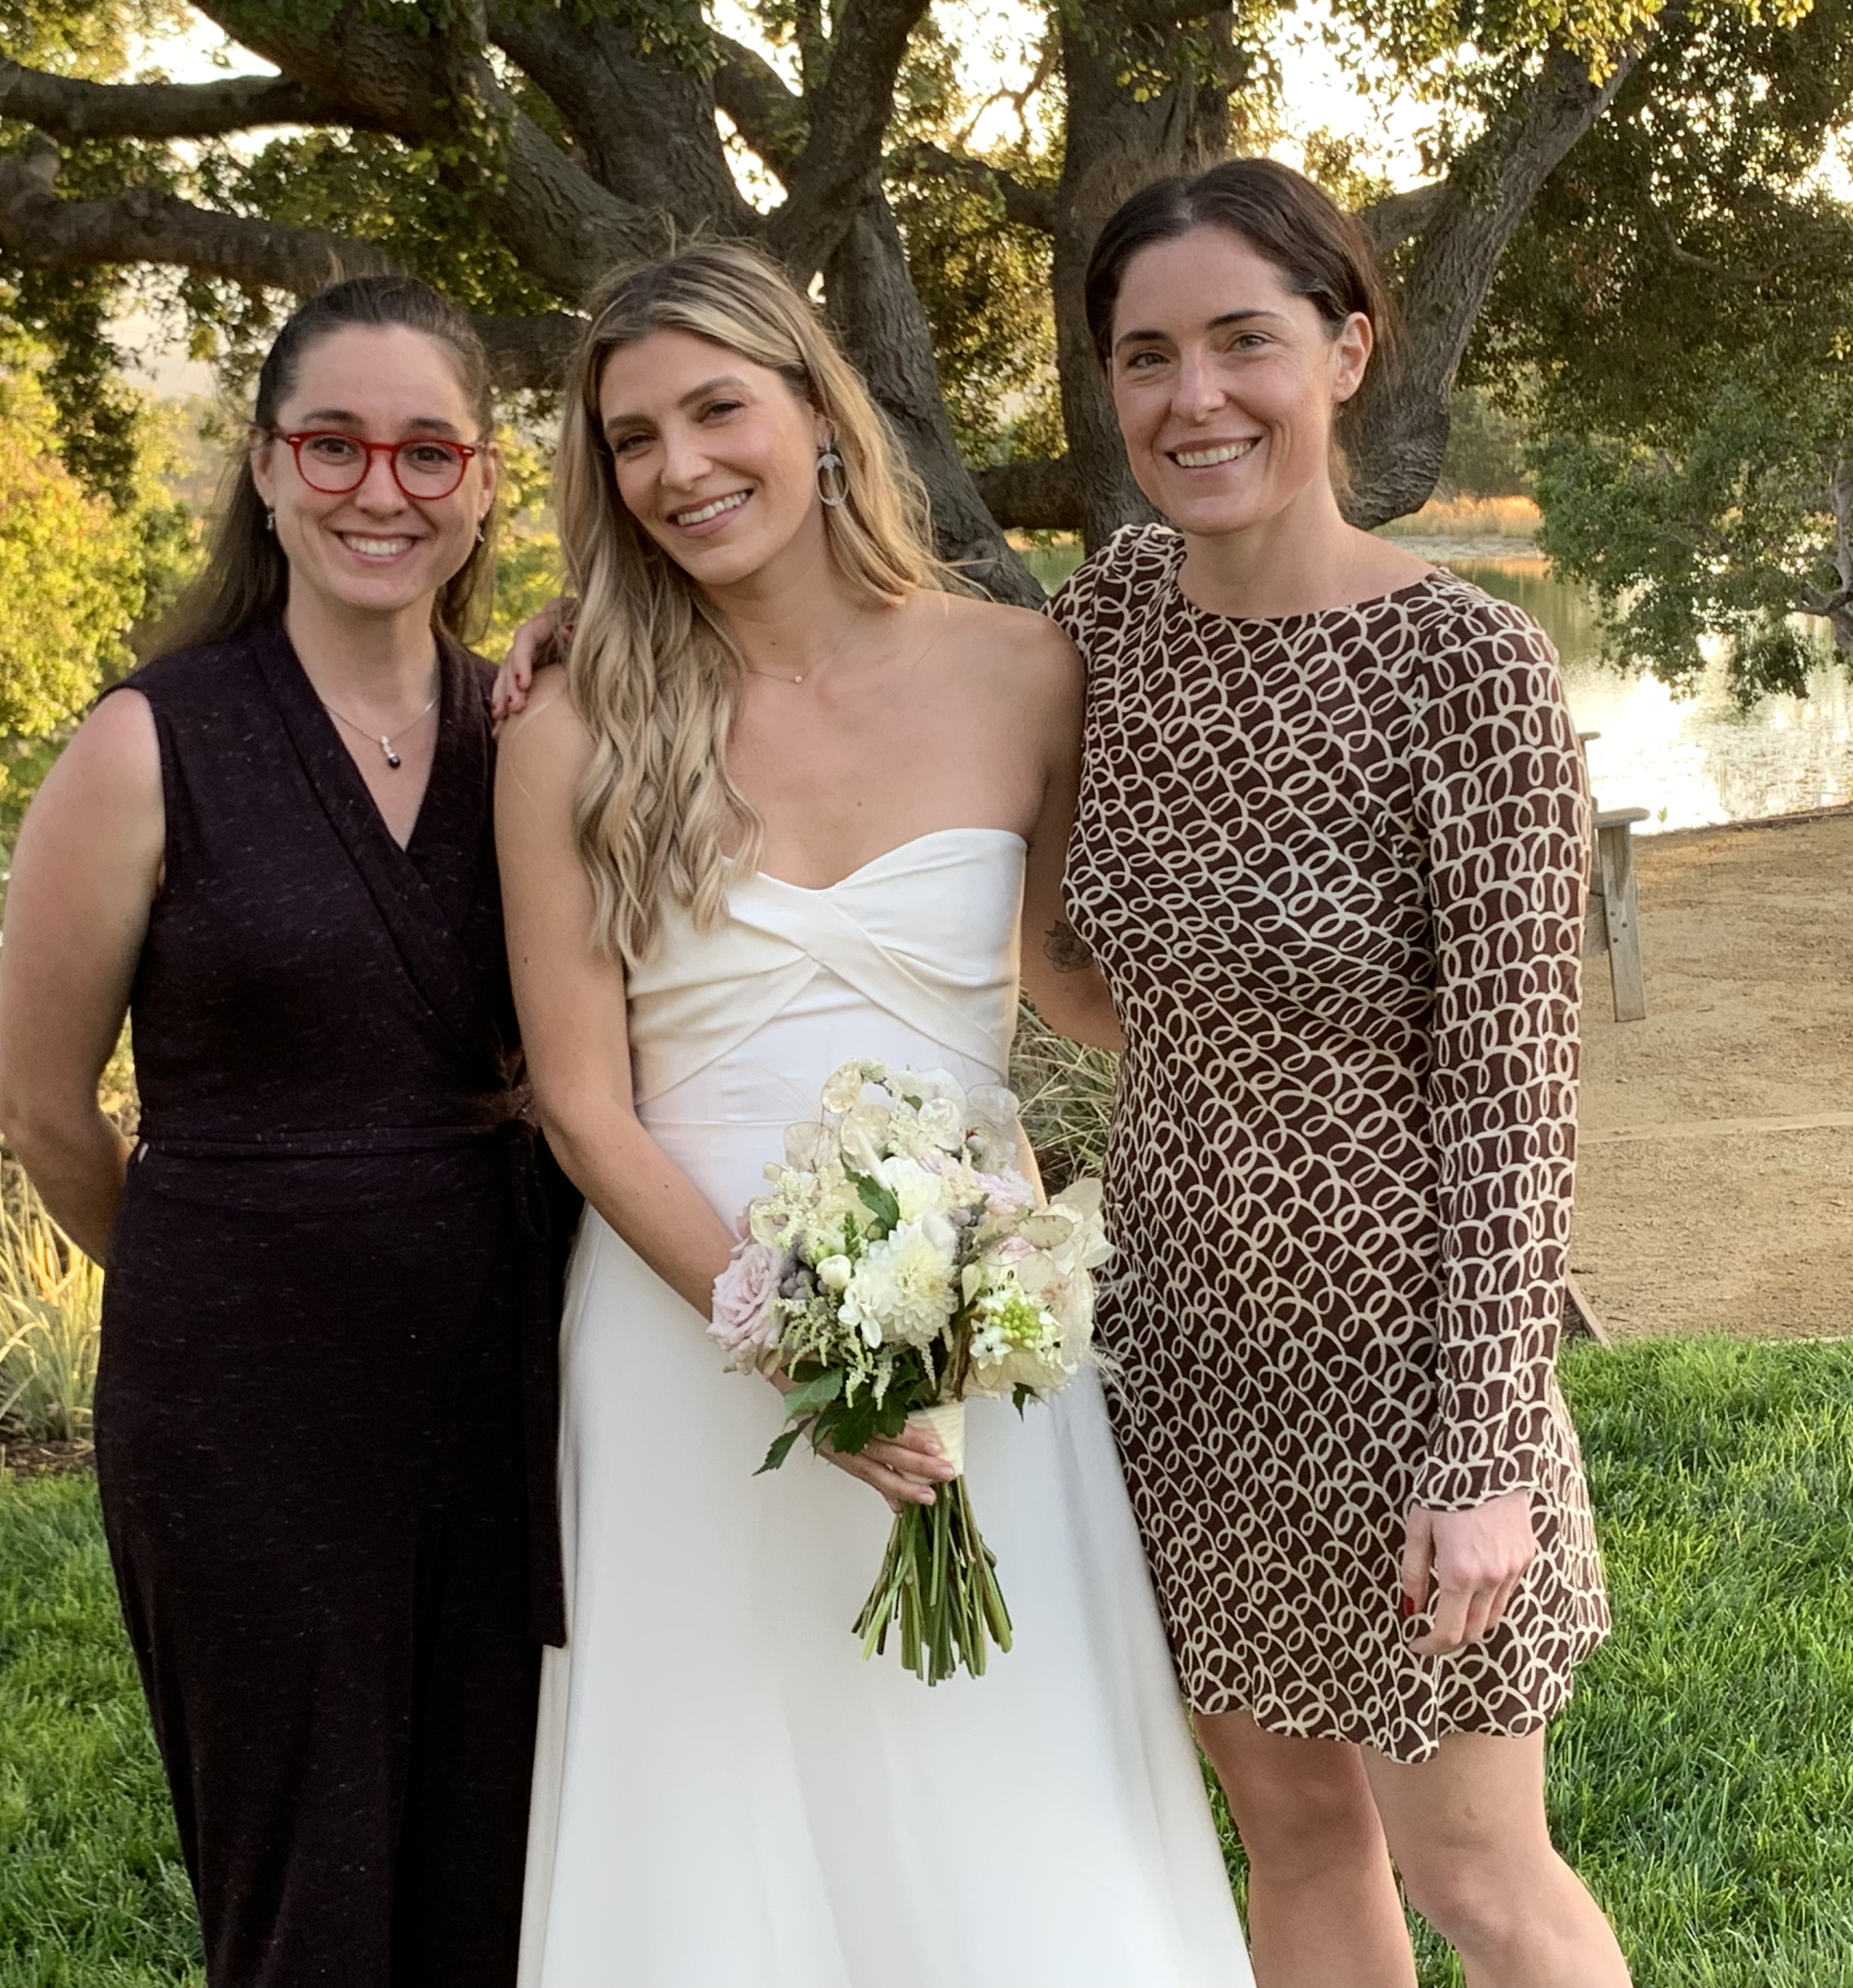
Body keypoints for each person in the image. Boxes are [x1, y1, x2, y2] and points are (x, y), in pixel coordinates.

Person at [494, 241, 1253, 1988]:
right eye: (631, 441)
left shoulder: (1025, 672)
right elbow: (588, 1110)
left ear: (821, 416)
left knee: (1008, 1775)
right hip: (687, 1328)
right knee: (721, 1798)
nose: (680, 468)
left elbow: (1077, 979)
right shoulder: (572, 726)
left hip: (986, 1317)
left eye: (716, 409)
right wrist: (780, 1340)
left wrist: (1338, 1045)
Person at [1044, 159, 1628, 1987]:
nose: (1193, 397)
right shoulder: (1107, 623)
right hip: (1178, 1364)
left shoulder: (1470, 670)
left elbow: (1521, 1101)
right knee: (1294, 1844)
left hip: (1406, 1379)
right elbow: (871, 676)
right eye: (1148, 356)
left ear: (1348, 348)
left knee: (1481, 1882)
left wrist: (1484, 1453)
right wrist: (604, 634)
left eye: (1244, 341)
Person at [0, 275, 575, 1987]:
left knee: (506, 1877)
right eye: (334, 444)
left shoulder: (528, 737)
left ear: (481, 483)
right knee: (302, 1900)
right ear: (264, 466)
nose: (377, 489)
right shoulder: (145, 744)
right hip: (240, 1413)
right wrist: (225, 1283)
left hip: (509, 1386)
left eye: (424, 450)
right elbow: (39, 1114)